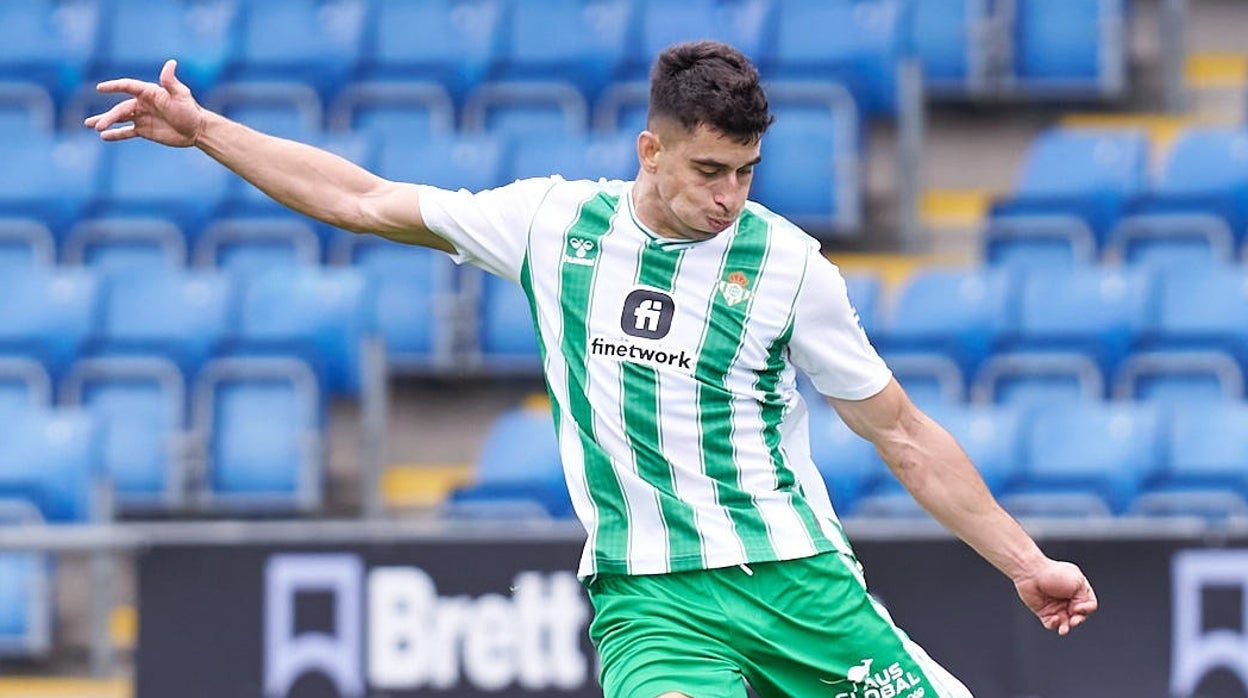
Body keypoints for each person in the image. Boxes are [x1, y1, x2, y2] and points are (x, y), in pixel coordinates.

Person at [86, 41, 1097, 698]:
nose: (729, 197)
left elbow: (902, 433)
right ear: (651, 149)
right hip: (650, 601)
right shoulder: (552, 223)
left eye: (747, 173)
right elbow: (363, 198)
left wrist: (1026, 562)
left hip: (796, 580)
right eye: (709, 170)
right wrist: (208, 131)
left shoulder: (792, 269)